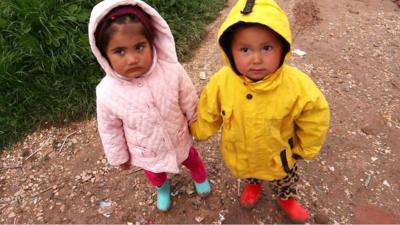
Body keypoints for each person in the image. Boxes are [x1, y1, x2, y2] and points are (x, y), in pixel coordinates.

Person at [190, 0, 330, 222]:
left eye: (267, 48)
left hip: (280, 157)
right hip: (243, 154)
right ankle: (253, 186)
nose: (256, 59)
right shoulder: (221, 83)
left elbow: (315, 118)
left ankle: (286, 198)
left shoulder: (298, 86)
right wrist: (198, 129)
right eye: (245, 49)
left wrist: (305, 148)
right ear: (230, 51)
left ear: (282, 47)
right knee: (250, 174)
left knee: (285, 180)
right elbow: (208, 111)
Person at [88, 0, 211, 212]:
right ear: (104, 54)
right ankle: (162, 188)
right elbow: (110, 129)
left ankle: (200, 176)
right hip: (146, 149)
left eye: (139, 47)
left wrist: (196, 121)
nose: (133, 59)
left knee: (191, 158)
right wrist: (119, 156)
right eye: (120, 51)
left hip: (178, 135)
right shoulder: (107, 92)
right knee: (154, 173)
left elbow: (188, 97)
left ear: (152, 42)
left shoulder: (171, 71)